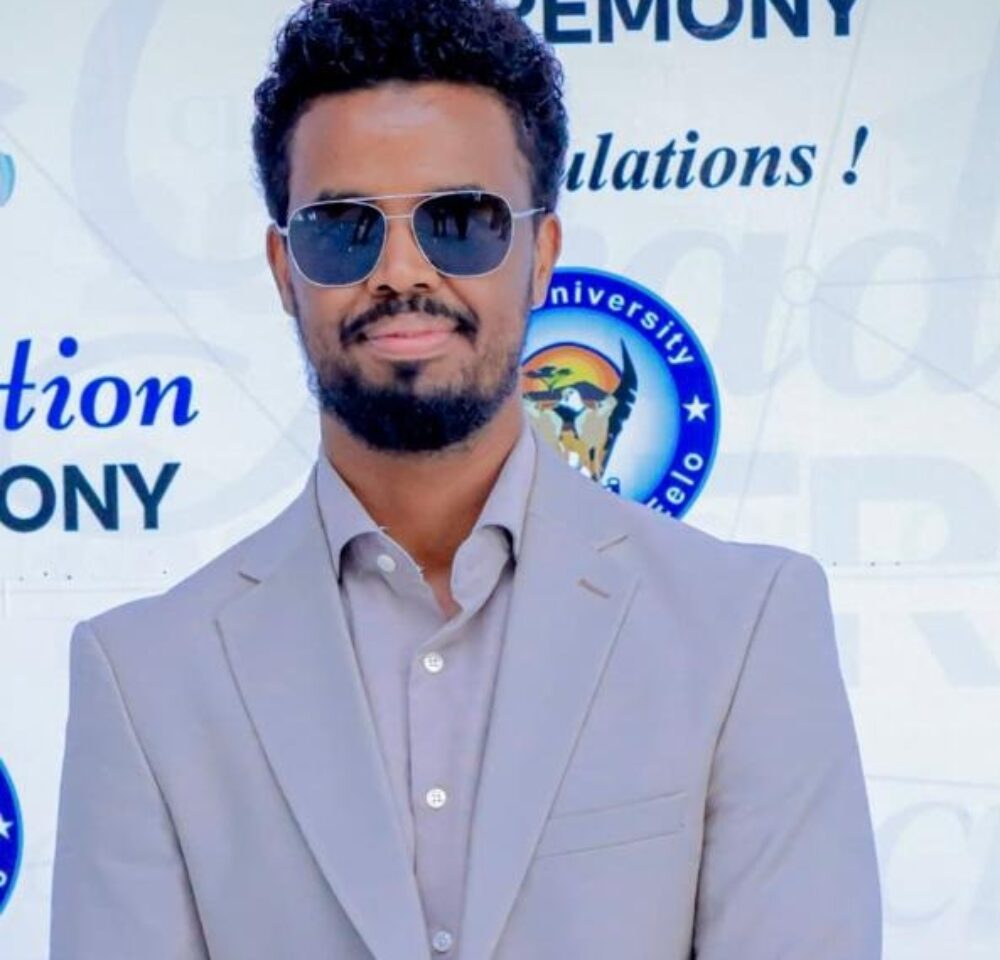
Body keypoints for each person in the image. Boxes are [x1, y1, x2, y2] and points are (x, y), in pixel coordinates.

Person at [49, 1, 882, 957]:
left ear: (541, 255)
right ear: (284, 269)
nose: (402, 271)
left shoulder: (742, 630)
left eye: (460, 221)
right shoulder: (147, 677)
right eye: (343, 229)